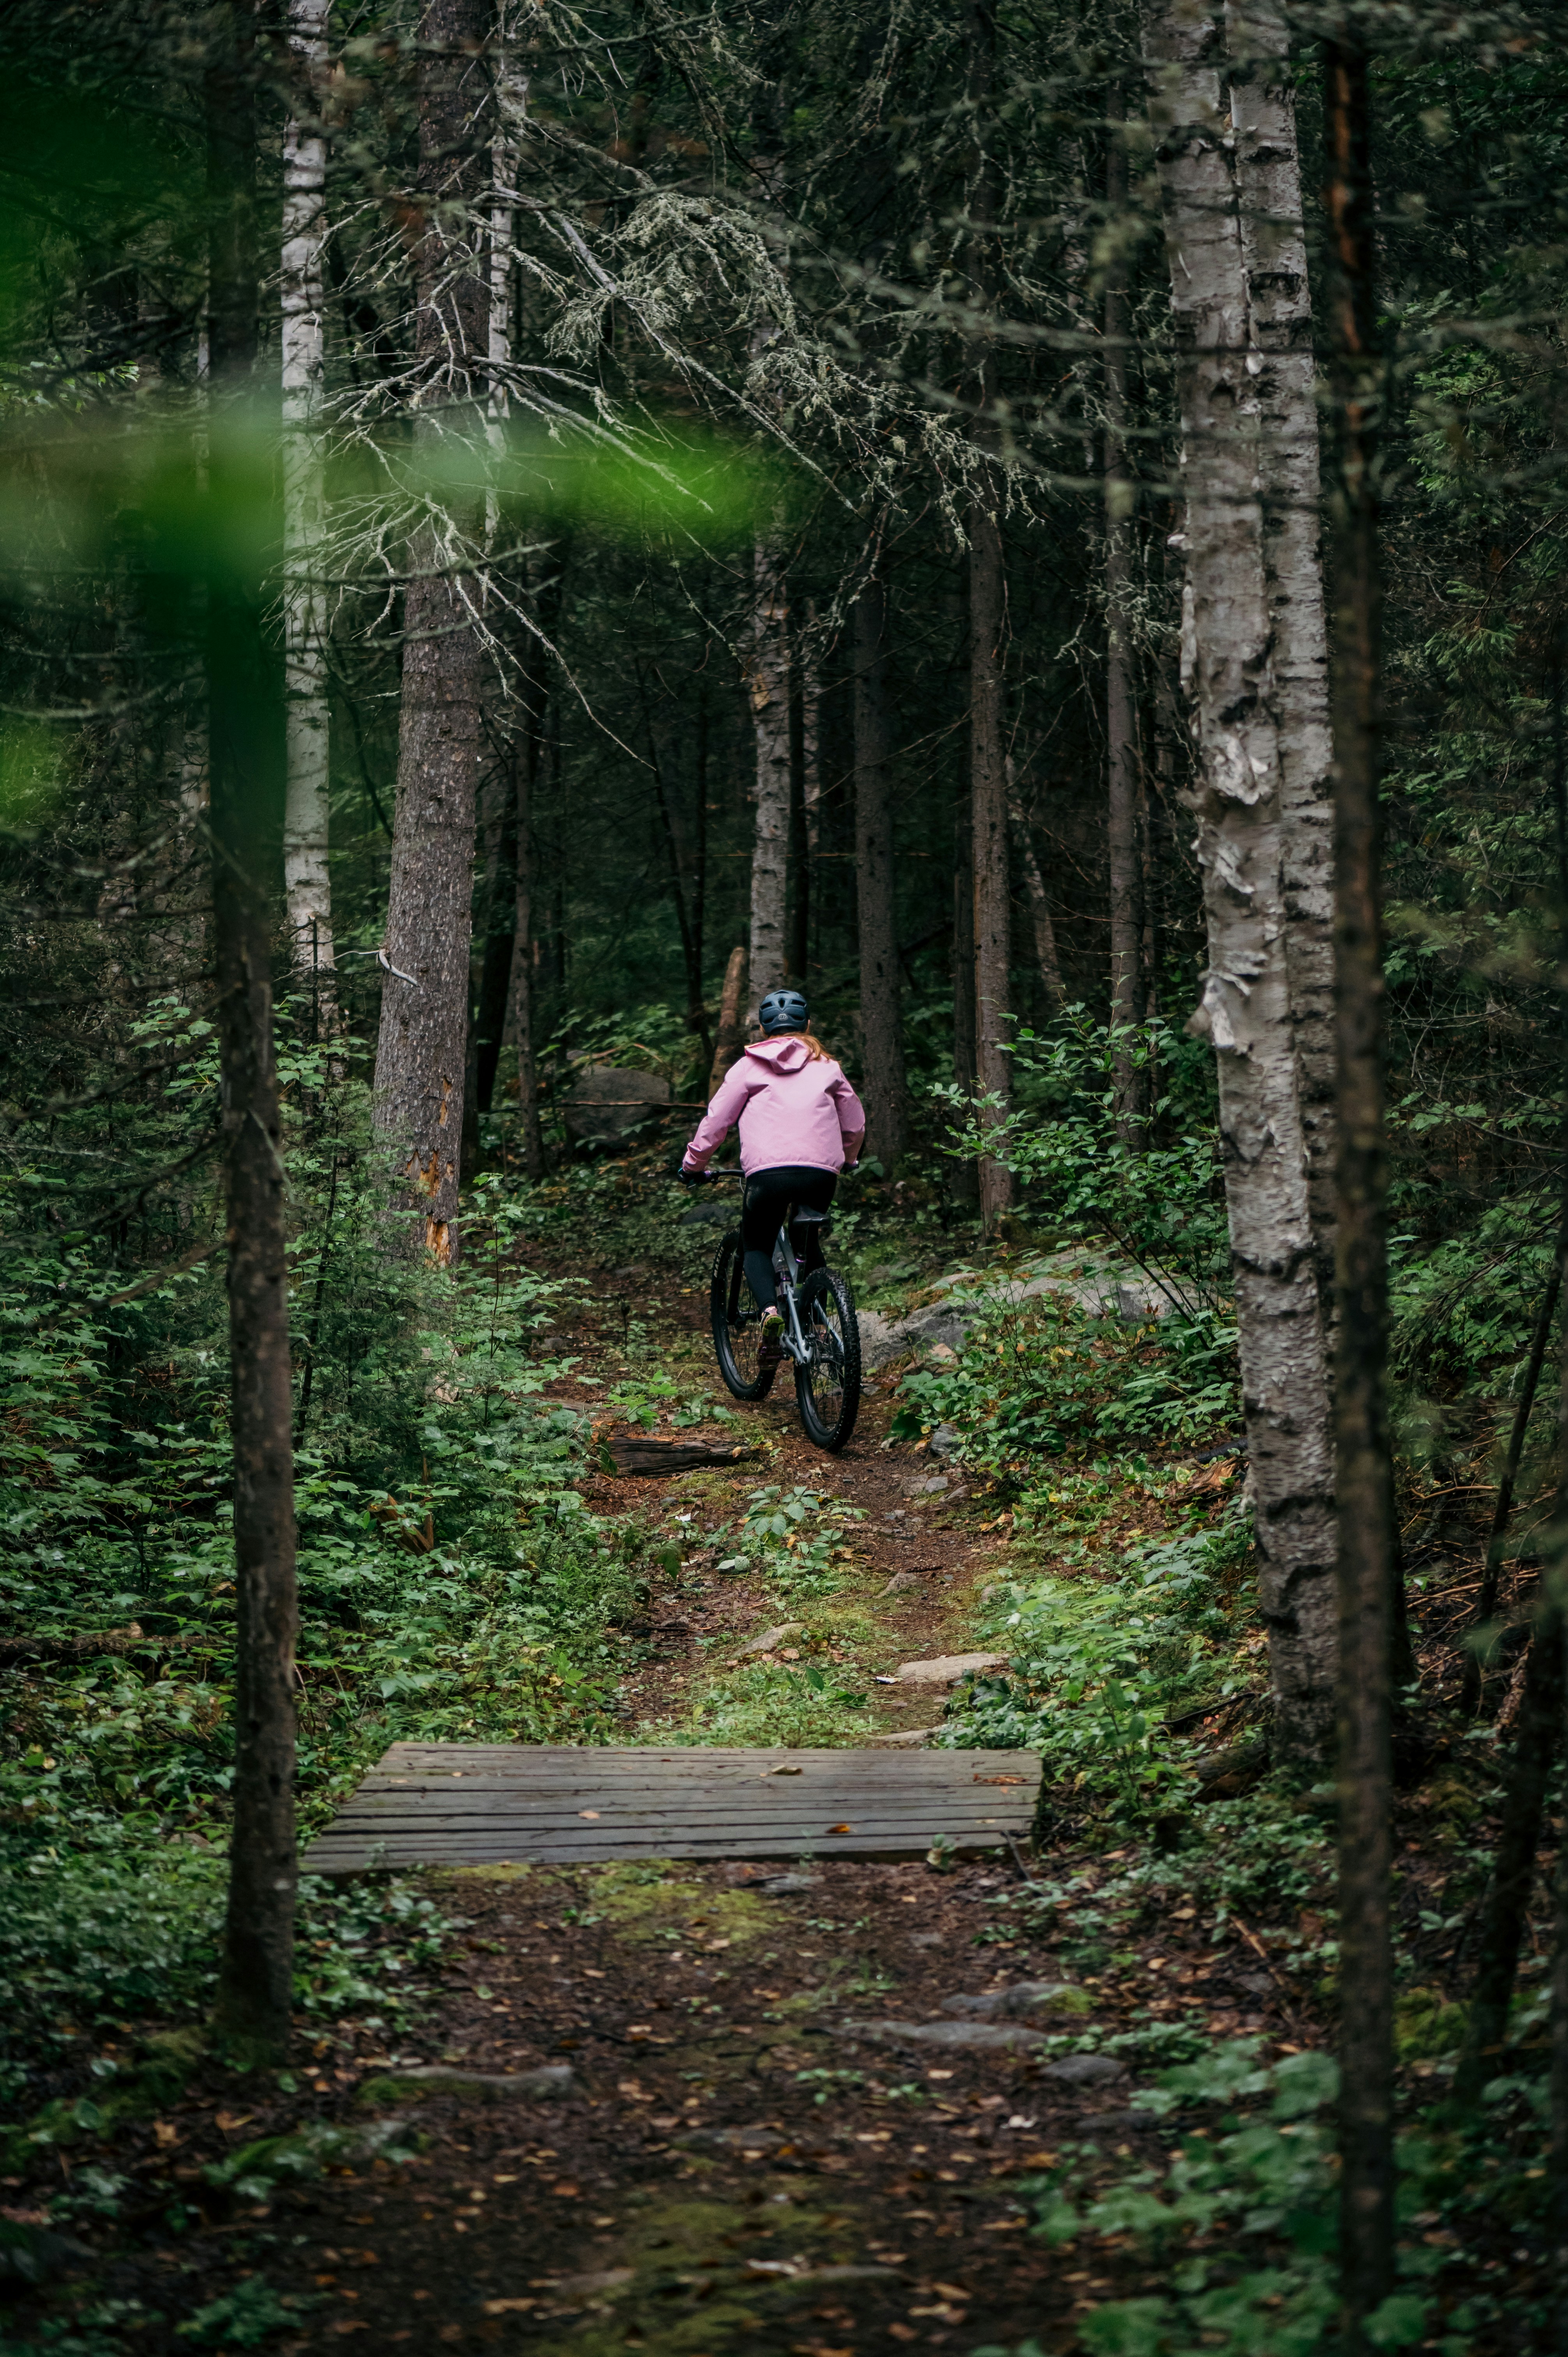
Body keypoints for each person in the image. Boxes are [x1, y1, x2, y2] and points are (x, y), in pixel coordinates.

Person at [681, 989, 865, 1358]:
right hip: (820, 1175)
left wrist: (693, 1165)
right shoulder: (828, 1066)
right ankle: (816, 1327)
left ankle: (769, 1313)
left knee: (756, 1243)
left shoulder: (748, 1067)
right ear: (808, 1025)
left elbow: (717, 1122)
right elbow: (855, 1122)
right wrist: (849, 1159)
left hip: (768, 1177)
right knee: (807, 1240)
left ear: (763, 1029)